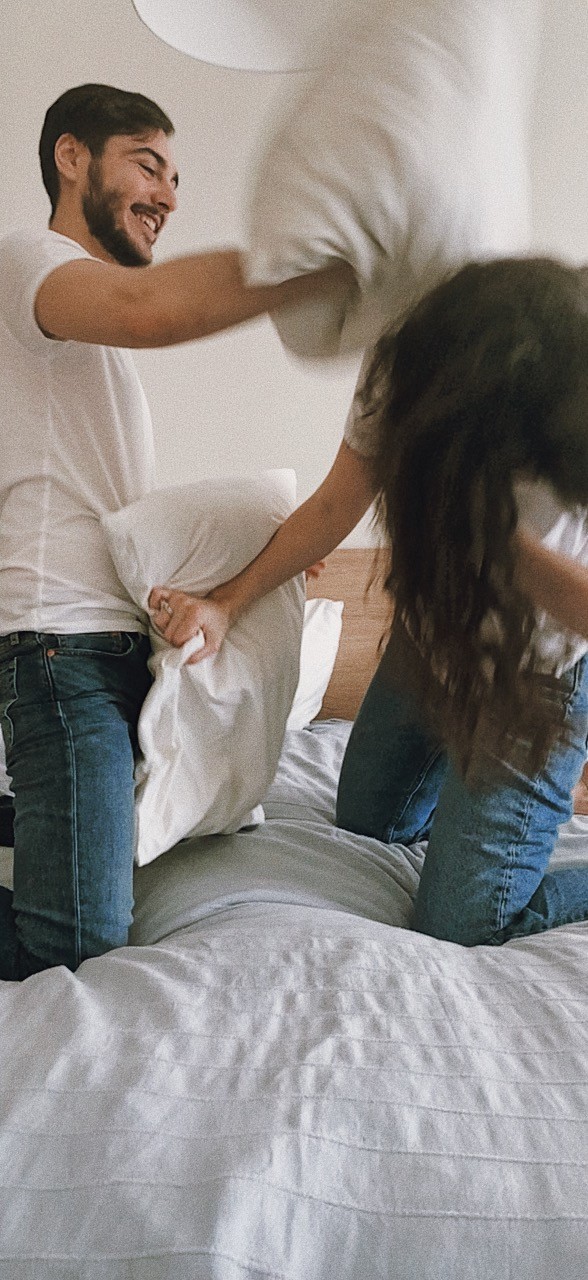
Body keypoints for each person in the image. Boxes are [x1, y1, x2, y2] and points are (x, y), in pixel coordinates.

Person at [0, 82, 348, 980]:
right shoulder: (28, 259)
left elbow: (106, 513)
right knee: (76, 940)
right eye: (147, 166)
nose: (168, 196)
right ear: (71, 157)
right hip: (59, 648)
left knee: (103, 857)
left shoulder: (88, 346)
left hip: (103, 647)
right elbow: (150, 310)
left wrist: (237, 563)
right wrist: (326, 265)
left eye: (176, 178)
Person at [151, 255, 588, 947]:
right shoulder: (405, 362)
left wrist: (497, 540)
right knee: (369, 823)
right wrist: (225, 604)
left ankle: (514, 813)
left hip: (534, 673)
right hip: (431, 636)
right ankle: (497, 808)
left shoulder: (571, 394)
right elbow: (334, 506)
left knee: (465, 924)